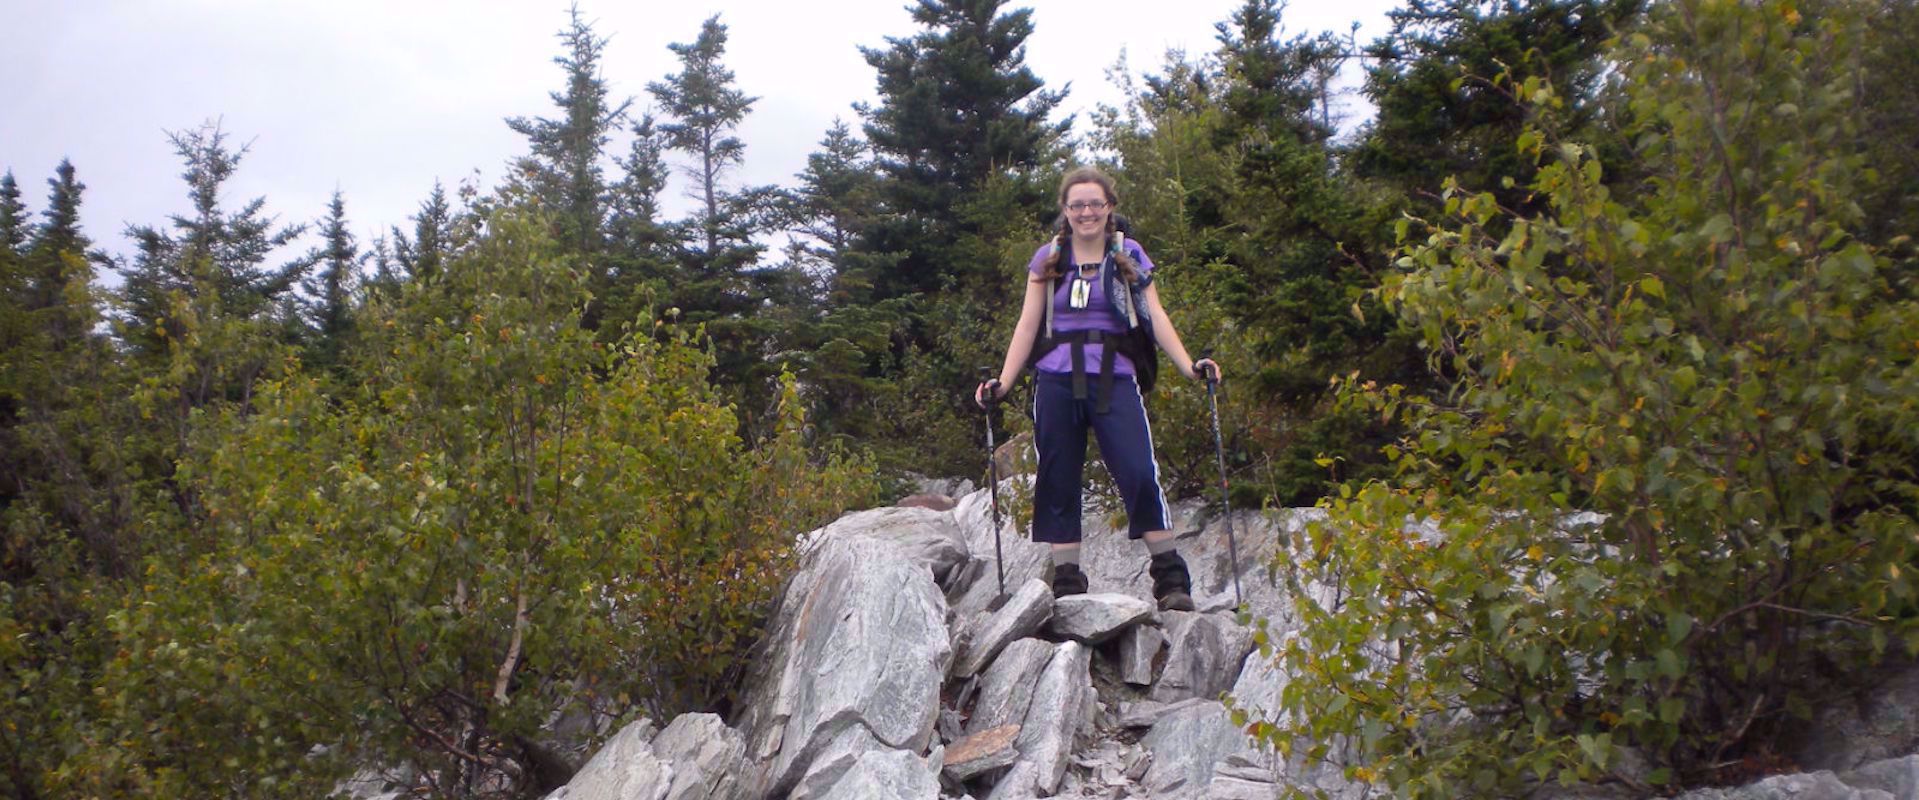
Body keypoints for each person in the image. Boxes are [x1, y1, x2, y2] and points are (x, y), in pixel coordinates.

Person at [974, 166, 1219, 611]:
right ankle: (1067, 581)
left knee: (1139, 472)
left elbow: (1155, 314)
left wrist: (1190, 367)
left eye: (1094, 204)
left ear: (1110, 208)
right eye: (1077, 205)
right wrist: (1003, 383)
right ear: (1065, 211)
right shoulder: (1047, 259)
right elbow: (1028, 324)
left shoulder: (1129, 255)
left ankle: (1170, 580)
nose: (1086, 212)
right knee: (1058, 476)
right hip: (1055, 380)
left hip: (1115, 376)